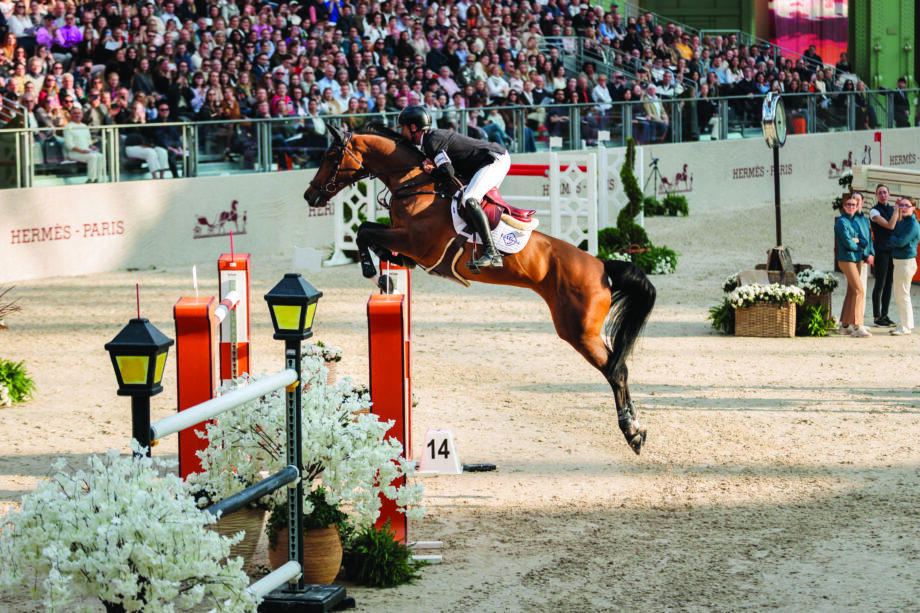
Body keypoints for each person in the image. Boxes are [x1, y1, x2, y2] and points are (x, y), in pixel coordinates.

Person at [397, 104, 509, 269]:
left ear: (414, 128)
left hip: (494, 160)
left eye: (404, 128)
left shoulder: (431, 142)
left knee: (470, 199)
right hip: (482, 163)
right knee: (463, 200)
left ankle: (492, 252)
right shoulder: (429, 140)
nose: (402, 133)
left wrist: (432, 170)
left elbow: (447, 173)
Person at [835, 196, 871, 337]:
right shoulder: (841, 222)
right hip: (846, 260)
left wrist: (857, 242)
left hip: (856, 259)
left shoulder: (855, 221)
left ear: (857, 207)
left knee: (852, 291)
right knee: (859, 291)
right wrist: (857, 244)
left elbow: (864, 240)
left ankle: (844, 325)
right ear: (844, 206)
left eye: (853, 205)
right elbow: (848, 243)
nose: (851, 207)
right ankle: (857, 326)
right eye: (848, 204)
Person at [888, 197, 919, 335]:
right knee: (900, 293)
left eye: (907, 206)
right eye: (902, 205)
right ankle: (904, 324)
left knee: (903, 294)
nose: (904, 208)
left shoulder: (913, 224)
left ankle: (905, 327)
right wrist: (895, 240)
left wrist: (894, 240)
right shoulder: (901, 223)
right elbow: (894, 237)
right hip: (898, 261)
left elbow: (900, 242)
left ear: (914, 208)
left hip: (906, 262)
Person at [869, 184, 897, 327]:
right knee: (880, 283)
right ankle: (876, 316)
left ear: (889, 194)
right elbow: (890, 226)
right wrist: (897, 211)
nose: (883, 195)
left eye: (885, 192)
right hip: (881, 250)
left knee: (889, 284)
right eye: (880, 193)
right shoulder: (874, 211)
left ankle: (885, 315)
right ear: (876, 195)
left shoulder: (892, 209)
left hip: (892, 250)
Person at [62, 106, 106, 183]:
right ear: (71, 115)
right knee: (93, 157)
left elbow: (88, 142)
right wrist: (81, 151)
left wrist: (93, 147)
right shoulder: (68, 127)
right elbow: (69, 145)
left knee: (100, 155)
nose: (77, 115)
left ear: (82, 115)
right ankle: (90, 179)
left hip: (86, 151)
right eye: (75, 113)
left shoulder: (84, 126)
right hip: (74, 153)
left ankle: (97, 179)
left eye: (79, 113)